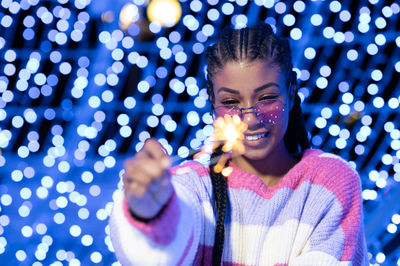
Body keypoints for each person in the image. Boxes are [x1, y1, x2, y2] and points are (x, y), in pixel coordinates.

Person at [109, 24, 368, 265]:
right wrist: (149, 213)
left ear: (290, 96)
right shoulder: (192, 185)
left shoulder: (330, 182)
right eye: (231, 103)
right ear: (214, 105)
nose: (251, 119)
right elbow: (157, 250)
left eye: (267, 98)